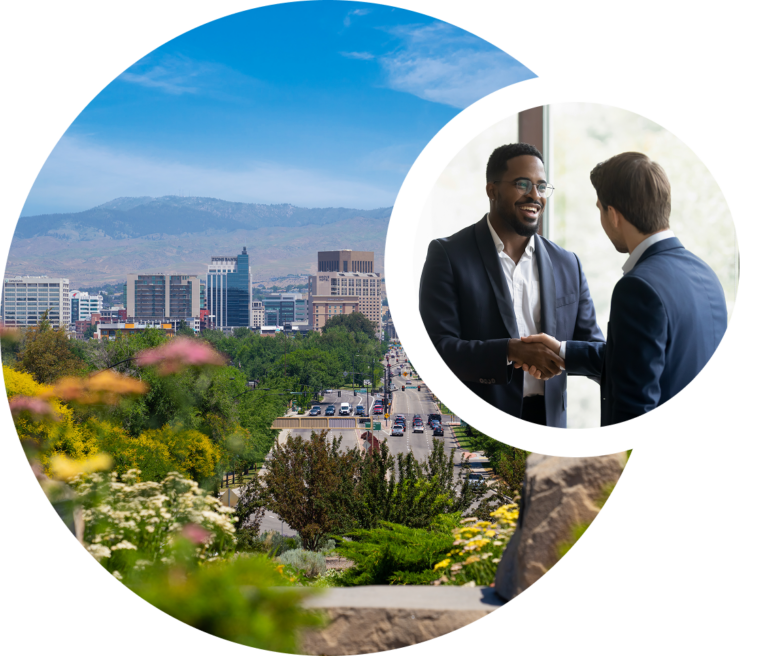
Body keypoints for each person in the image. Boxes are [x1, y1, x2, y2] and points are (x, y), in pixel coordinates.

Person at [521, 152, 727, 426]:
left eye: (599, 209)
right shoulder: (706, 274)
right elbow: (643, 360)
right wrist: (562, 351)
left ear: (614, 214)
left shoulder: (638, 287)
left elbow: (633, 408)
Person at [419, 143, 605, 427]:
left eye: (541, 187)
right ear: (492, 191)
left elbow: (594, 349)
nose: (534, 195)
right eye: (522, 184)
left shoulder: (568, 263)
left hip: (551, 422)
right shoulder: (448, 256)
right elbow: (438, 350)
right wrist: (510, 350)